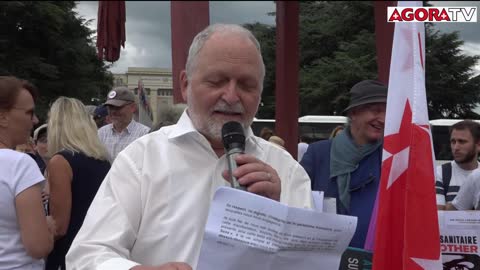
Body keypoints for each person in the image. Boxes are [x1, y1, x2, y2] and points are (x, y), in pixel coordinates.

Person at [66, 23, 313, 270]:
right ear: (185, 84)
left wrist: (278, 220)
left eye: (247, 85)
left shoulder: (286, 170)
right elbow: (86, 256)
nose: (231, 96)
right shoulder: (140, 160)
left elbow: (311, 263)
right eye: (217, 81)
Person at [300, 79, 387, 248]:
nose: (382, 119)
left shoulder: (388, 158)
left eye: (387, 112)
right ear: (353, 113)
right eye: (376, 110)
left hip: (372, 258)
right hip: (324, 254)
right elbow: (297, 201)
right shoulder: (318, 154)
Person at [44, 97, 111, 269]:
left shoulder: (60, 161)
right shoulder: (103, 161)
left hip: (67, 254)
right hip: (94, 251)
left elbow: (59, 227)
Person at [0, 76, 54, 269]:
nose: (35, 120)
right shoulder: (19, 164)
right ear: (3, 117)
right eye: (29, 113)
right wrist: (48, 226)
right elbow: (38, 246)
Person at [436, 120, 480, 210]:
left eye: (462, 142)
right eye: (453, 142)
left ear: (478, 145)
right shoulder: (439, 173)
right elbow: (438, 215)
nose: (456, 147)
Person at [97, 87, 150, 162]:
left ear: (133, 107)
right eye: (110, 107)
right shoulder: (101, 133)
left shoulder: (145, 134)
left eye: (118, 107)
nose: (113, 111)